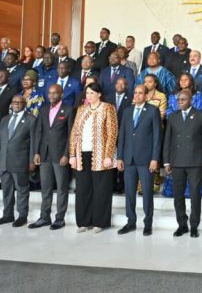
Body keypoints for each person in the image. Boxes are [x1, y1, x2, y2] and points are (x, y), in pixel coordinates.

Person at [68, 82, 118, 233]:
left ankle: (99, 222)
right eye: (87, 93)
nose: (89, 96)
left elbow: (112, 132)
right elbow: (74, 133)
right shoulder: (81, 109)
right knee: (83, 189)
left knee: (101, 189)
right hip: (82, 153)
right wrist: (72, 154)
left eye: (92, 93)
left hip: (101, 154)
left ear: (99, 94)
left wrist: (108, 155)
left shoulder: (108, 108)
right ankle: (84, 222)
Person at [163, 90, 202, 238]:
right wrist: (166, 161)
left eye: (183, 100)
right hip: (177, 161)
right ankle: (182, 225)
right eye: (179, 100)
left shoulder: (200, 115)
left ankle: (194, 225)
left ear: (190, 100)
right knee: (178, 195)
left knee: (195, 194)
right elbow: (168, 140)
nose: (180, 102)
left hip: (195, 161)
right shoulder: (173, 116)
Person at [116, 84, 161, 236]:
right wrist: (119, 157)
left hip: (146, 160)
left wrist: (155, 158)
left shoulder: (153, 111)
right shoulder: (127, 111)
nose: (137, 95)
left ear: (146, 96)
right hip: (128, 159)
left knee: (147, 193)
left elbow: (157, 137)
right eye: (135, 93)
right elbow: (122, 135)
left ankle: (148, 224)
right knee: (129, 193)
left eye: (140, 93)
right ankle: (131, 222)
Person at [30, 84, 74, 230]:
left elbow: (71, 134)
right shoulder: (43, 110)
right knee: (46, 187)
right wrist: (36, 152)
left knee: (61, 188)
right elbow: (39, 132)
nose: (51, 95)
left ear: (61, 94)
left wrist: (67, 154)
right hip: (44, 154)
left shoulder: (68, 109)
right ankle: (44, 217)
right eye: (49, 93)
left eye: (55, 93)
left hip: (60, 155)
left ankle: (59, 219)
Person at [0, 95, 35, 227]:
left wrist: (32, 161)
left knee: (22, 190)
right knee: (6, 189)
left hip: (20, 161)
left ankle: (22, 216)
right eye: (14, 102)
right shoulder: (5, 119)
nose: (16, 104)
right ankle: (8, 215)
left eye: (19, 102)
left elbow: (34, 142)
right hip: (4, 161)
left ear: (24, 104)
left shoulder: (31, 119)